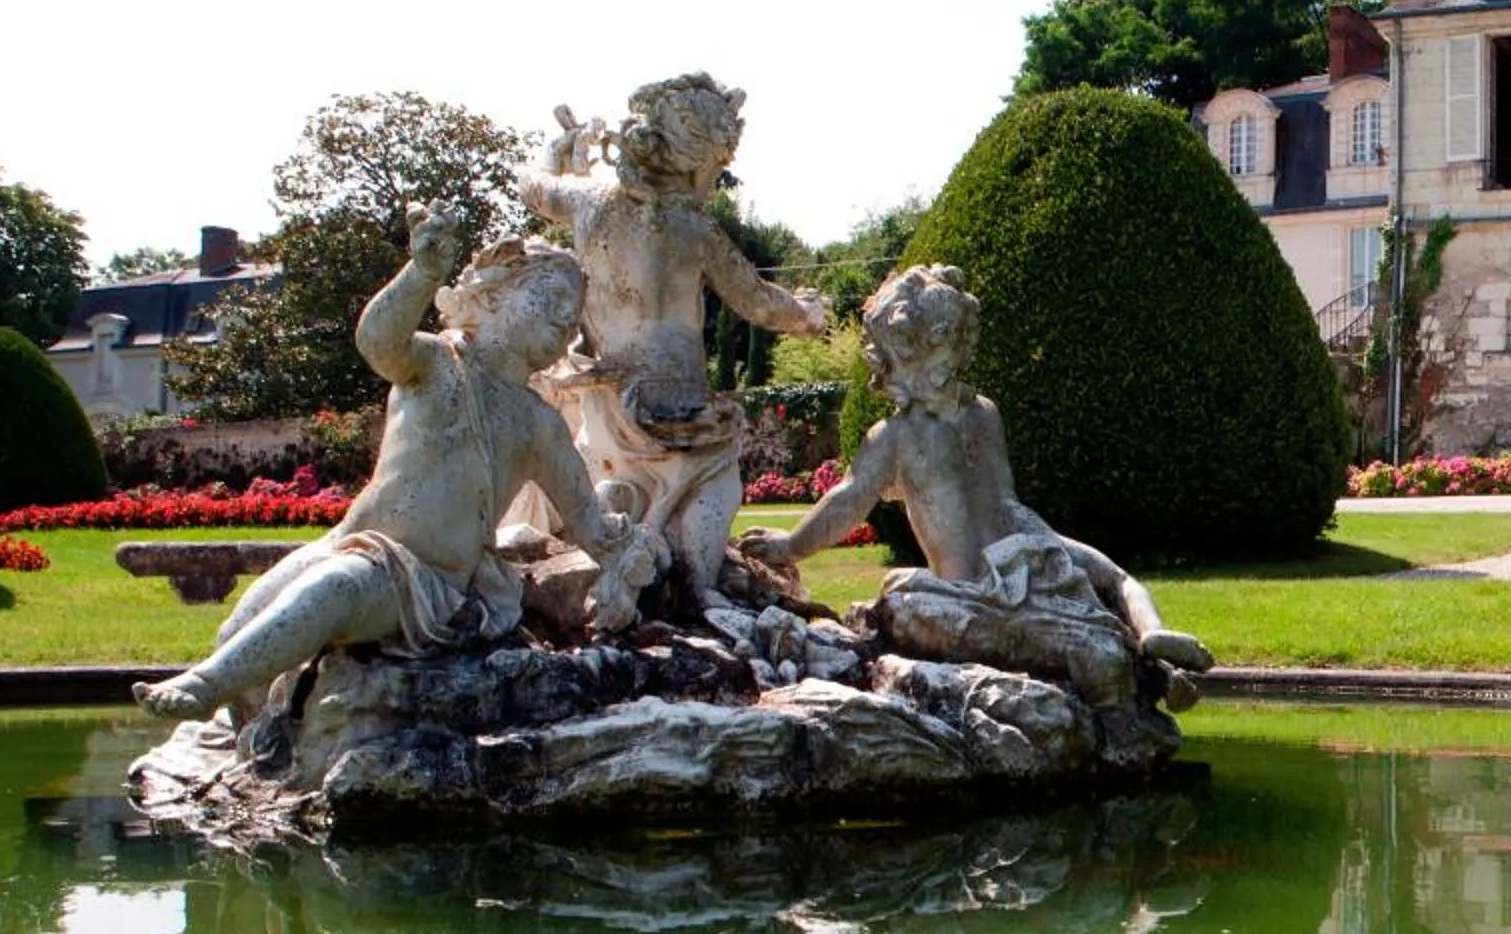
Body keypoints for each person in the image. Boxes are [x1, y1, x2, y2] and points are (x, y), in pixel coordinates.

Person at [135, 206, 644, 721]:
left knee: (338, 589)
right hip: (353, 540)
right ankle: (252, 730)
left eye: (574, 309)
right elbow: (377, 341)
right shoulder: (433, 363)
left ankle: (203, 684)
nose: (566, 319)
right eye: (553, 298)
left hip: (429, 581)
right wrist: (421, 273)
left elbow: (585, 520)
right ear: (491, 296)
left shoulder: (538, 423)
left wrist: (625, 554)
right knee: (239, 631)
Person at [773, 265, 1209, 711]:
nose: (942, 373)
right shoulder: (894, 438)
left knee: (1116, 577)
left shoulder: (983, 414)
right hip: (968, 590)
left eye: (947, 359)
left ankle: (1153, 633)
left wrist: (1041, 544)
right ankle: (1151, 671)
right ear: (896, 363)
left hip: (1018, 546)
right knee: (1089, 634)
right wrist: (790, 545)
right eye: (928, 364)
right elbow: (848, 500)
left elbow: (1004, 498)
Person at [517, 74, 830, 610]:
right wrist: (807, 316)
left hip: (611, 410)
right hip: (685, 418)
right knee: (696, 577)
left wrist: (558, 150)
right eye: (715, 166)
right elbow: (757, 302)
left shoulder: (589, 202)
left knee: (615, 517)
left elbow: (533, 185)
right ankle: (693, 594)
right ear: (695, 162)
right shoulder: (693, 229)